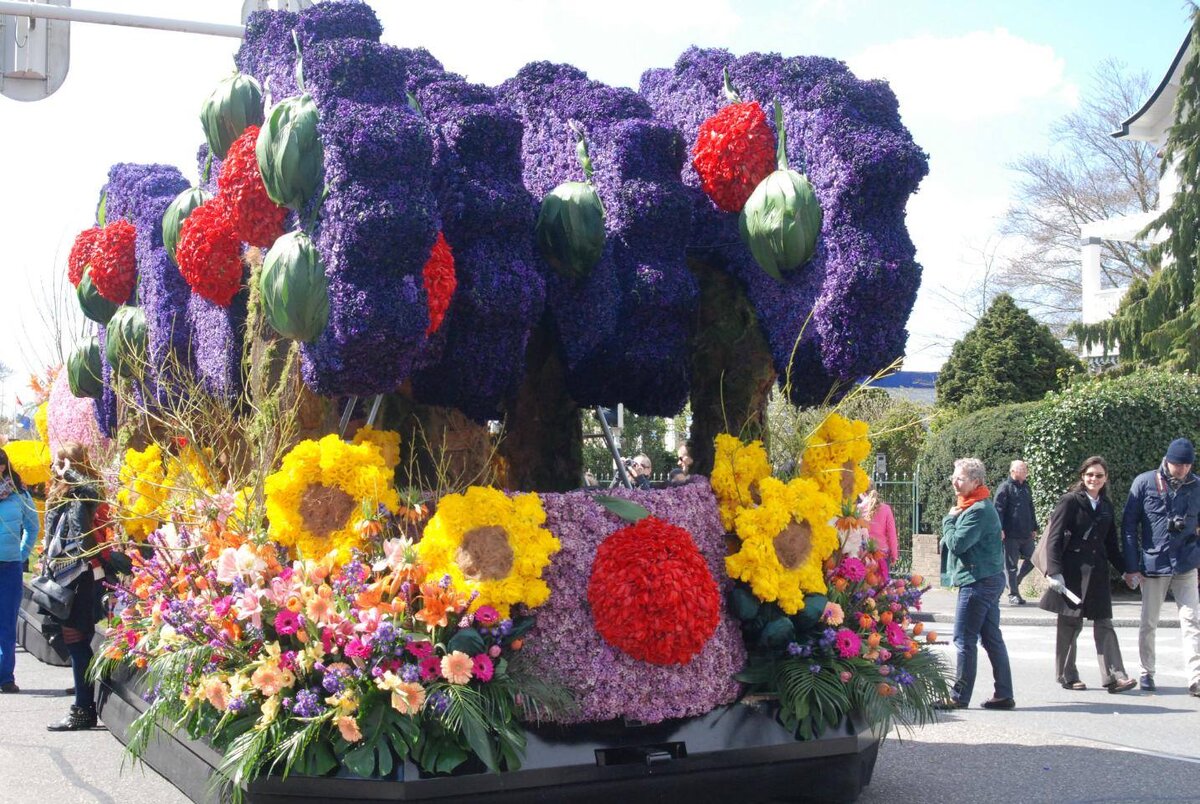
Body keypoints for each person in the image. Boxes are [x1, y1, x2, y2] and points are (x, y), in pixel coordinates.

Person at [1038, 456, 1137, 693]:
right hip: (1071, 573)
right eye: (1090, 474)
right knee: (1070, 625)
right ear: (1082, 476)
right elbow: (1054, 537)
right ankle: (1067, 675)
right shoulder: (1070, 501)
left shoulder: (1106, 506)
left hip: (1098, 573)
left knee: (1104, 624)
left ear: (1105, 479)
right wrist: (1054, 572)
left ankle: (1115, 676)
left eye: (1099, 475)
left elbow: (1111, 544)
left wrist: (1126, 571)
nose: (1094, 479)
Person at [1121, 437, 1200, 695]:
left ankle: (1196, 678)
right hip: (1155, 563)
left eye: (1188, 465)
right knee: (1149, 622)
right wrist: (1132, 566)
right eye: (1179, 465)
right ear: (1168, 460)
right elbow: (1129, 527)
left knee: (1191, 621)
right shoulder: (1144, 482)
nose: (1184, 470)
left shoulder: (1196, 486)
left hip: (1187, 562)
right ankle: (1147, 672)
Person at [936, 457, 1015, 710]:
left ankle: (959, 696)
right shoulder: (973, 506)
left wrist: (948, 520)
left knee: (963, 638)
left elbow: (958, 543)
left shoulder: (978, 510)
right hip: (988, 579)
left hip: (978, 581)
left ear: (976, 482)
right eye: (954, 477)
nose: (954, 483)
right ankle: (1004, 694)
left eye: (960, 478)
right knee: (991, 637)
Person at [42, 441, 102, 730]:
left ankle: (82, 709)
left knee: (77, 641)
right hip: (65, 575)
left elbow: (94, 495)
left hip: (79, 577)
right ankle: (82, 698)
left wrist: (72, 475)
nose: (55, 467)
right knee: (72, 640)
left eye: (60, 462)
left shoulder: (82, 492)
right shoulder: (64, 494)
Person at [0, 447, 40, 694]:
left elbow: (32, 527)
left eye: (1, 464)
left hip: (10, 568)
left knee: (6, 622)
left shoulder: (19, 494)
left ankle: (5, 676)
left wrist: (21, 555)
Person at [994, 459, 1039, 606]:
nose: (1026, 472)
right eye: (1023, 470)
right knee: (1011, 565)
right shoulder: (1005, 488)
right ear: (1013, 471)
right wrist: (999, 529)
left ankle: (1016, 581)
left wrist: (1034, 527)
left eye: (1026, 469)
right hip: (1011, 534)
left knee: (1035, 559)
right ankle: (1013, 594)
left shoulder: (1026, 488)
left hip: (1026, 533)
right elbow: (998, 510)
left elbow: (1031, 508)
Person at [858, 482, 898, 565]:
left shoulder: (859, 509)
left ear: (862, 493)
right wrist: (894, 555)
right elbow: (892, 534)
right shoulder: (886, 509)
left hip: (864, 554)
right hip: (882, 553)